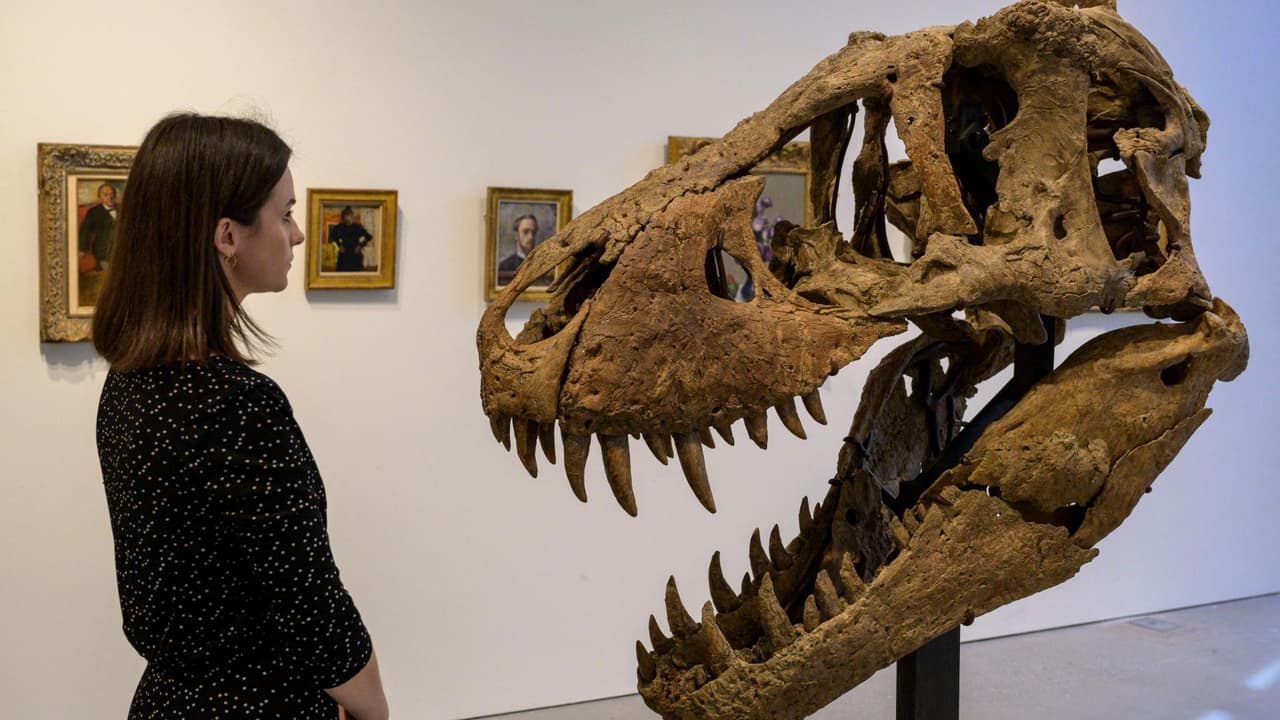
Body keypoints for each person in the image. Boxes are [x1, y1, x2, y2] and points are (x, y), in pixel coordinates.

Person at [91, 113, 389, 720]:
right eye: (284, 214)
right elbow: (312, 607)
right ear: (227, 235)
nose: (297, 234)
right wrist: (375, 711)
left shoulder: (127, 380)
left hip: (167, 700)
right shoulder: (237, 404)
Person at [497, 212, 551, 286]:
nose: (531, 237)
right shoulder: (504, 267)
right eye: (525, 232)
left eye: (533, 232)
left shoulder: (544, 265)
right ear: (516, 235)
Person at [78, 182, 120, 271]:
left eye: (112, 194)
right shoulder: (94, 212)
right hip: (102, 251)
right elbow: (85, 230)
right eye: (106, 195)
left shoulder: (122, 208)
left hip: (121, 250)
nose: (110, 197)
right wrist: (82, 248)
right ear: (100, 197)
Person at [329, 207, 374, 272]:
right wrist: (339, 245)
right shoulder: (339, 227)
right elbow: (333, 236)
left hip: (355, 253)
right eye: (346, 216)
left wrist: (360, 246)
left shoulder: (357, 227)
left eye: (349, 215)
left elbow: (369, 237)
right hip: (344, 253)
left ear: (352, 216)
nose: (347, 218)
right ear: (343, 217)